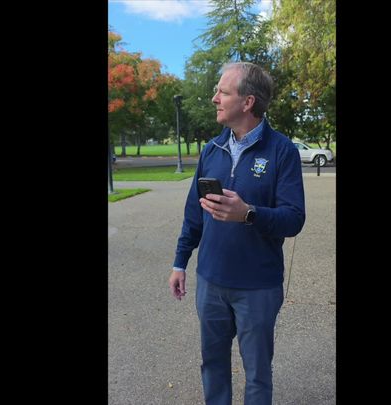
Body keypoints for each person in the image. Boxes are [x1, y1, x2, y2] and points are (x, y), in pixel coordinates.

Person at [168, 61, 305, 405]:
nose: (214, 98)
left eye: (223, 92)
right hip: (210, 282)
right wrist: (180, 262)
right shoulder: (212, 149)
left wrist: (248, 214)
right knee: (212, 364)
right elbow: (194, 214)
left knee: (257, 373)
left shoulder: (282, 151)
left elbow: (293, 219)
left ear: (247, 102)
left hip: (258, 287)